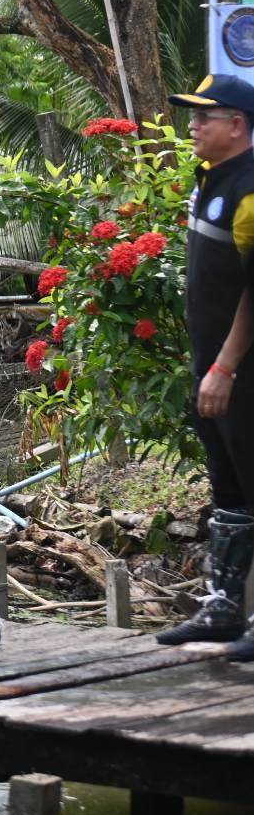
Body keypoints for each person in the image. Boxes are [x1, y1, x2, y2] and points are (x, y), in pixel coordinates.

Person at [157, 75, 254, 661]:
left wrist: (226, 364)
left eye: (204, 116)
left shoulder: (249, 188)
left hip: (241, 368)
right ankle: (221, 606)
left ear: (237, 124)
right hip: (211, 364)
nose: (192, 125)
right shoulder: (211, 182)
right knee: (229, 487)